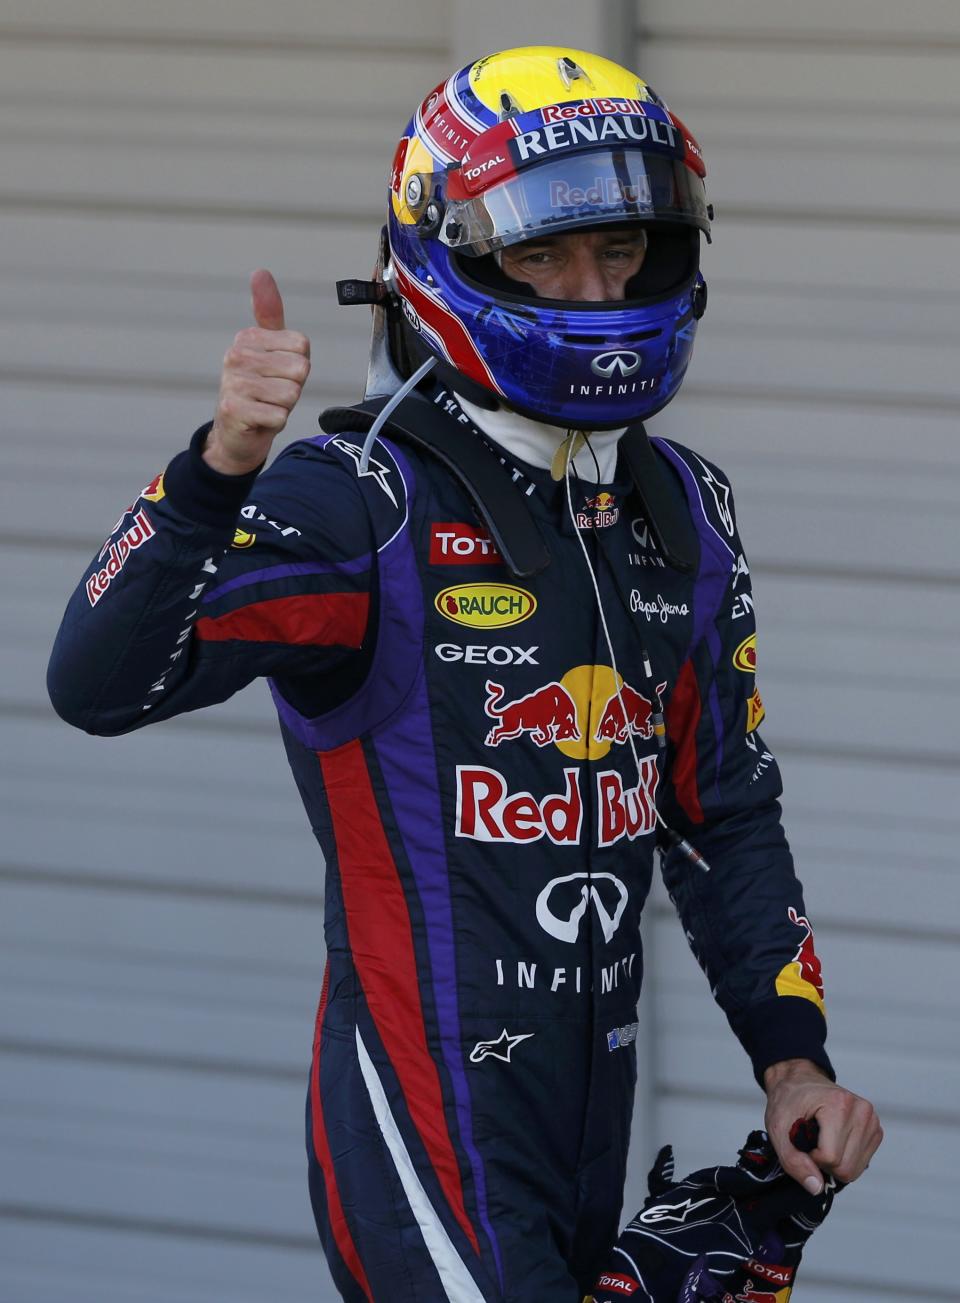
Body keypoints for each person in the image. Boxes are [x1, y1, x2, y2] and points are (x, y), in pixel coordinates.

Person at [48, 46, 881, 1303]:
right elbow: (98, 682)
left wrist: (792, 1061)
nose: (592, 287)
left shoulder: (687, 509)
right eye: (542, 254)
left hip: (586, 1123)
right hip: (423, 1135)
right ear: (448, 259)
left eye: (620, 248)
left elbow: (724, 814)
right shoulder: (360, 500)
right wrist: (215, 469)